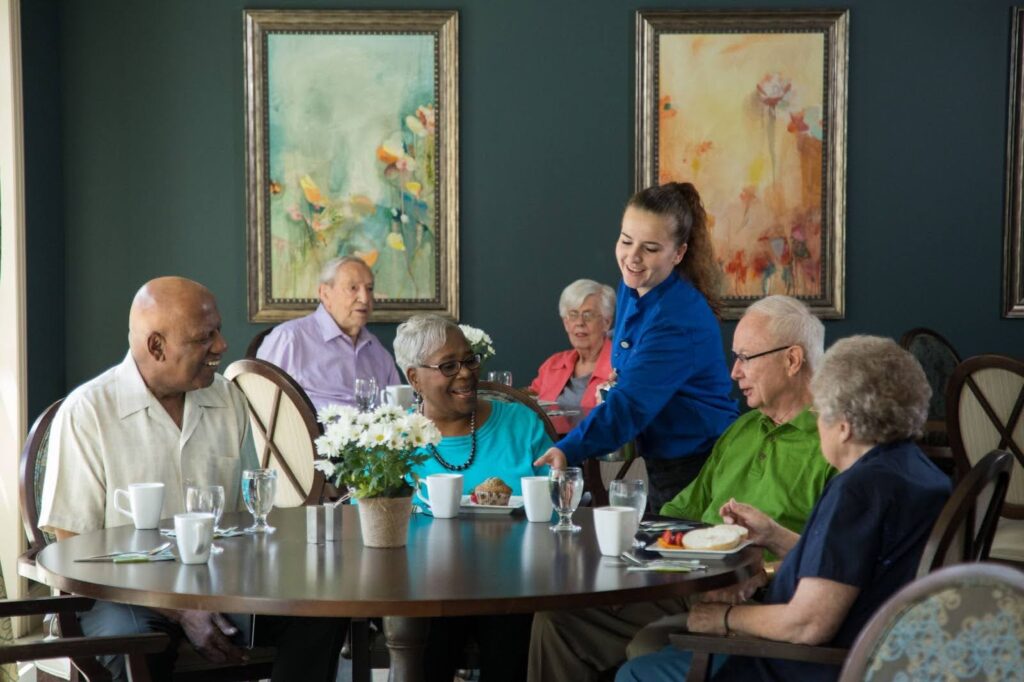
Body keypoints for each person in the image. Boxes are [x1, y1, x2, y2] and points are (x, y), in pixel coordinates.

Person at [38, 277, 345, 682]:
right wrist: (180, 610)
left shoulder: (227, 399)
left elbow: (244, 516)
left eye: (218, 330)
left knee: (319, 614)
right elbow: (71, 546)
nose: (222, 346)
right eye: (205, 337)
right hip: (116, 594)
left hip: (216, 584)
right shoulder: (88, 412)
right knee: (136, 647)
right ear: (156, 346)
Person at [527, 295, 837, 682]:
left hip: (761, 599)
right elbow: (679, 514)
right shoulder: (742, 430)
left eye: (746, 358)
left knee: (633, 650)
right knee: (559, 621)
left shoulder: (833, 446)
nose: (733, 373)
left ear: (792, 360)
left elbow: (834, 562)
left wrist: (764, 571)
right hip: (688, 580)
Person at [617, 335, 953, 682]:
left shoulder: (858, 491)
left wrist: (723, 618)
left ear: (843, 426)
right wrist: (774, 536)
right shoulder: (916, 471)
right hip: (873, 648)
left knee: (635, 674)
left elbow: (807, 624)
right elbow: (850, 566)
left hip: (804, 664)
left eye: (820, 413)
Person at [536, 183, 738, 510]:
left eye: (651, 248)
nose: (632, 257)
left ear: (679, 253)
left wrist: (568, 448)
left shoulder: (676, 319)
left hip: (701, 465)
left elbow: (629, 406)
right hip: (662, 461)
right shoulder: (633, 285)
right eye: (626, 241)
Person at [394, 314, 552, 681]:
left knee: (512, 632)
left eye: (469, 360)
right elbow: (367, 518)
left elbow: (556, 505)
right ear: (414, 377)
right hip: (424, 587)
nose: (465, 373)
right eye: (448, 366)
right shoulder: (392, 438)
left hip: (513, 582)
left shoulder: (520, 424)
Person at [257, 256, 400, 410]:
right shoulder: (290, 339)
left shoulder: (377, 351)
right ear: (325, 293)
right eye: (353, 288)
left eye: (369, 289)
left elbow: (398, 410)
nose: (365, 298)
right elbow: (260, 405)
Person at [528, 279, 615, 411]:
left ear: (606, 322)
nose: (580, 322)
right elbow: (528, 402)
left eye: (588, 315)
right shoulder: (553, 365)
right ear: (565, 323)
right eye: (573, 315)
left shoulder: (620, 366)